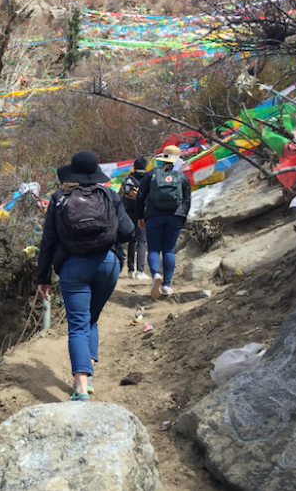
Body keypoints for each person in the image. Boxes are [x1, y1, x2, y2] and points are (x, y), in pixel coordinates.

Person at [37, 151, 135, 402]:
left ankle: (81, 388)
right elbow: (127, 232)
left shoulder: (59, 199)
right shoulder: (109, 195)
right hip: (108, 264)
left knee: (78, 325)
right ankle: (89, 374)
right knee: (91, 318)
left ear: (73, 173)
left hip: (73, 267)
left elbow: (48, 242)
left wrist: (43, 278)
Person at [136, 145, 192, 299]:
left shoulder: (151, 174)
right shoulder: (182, 177)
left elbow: (140, 195)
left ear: (163, 158)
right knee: (168, 250)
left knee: (153, 249)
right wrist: (182, 217)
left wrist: (140, 216)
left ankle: (155, 275)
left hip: (154, 215)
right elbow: (187, 200)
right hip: (175, 216)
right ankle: (166, 285)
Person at [121, 157, 149, 280]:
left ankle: (131, 269)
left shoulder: (128, 179)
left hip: (129, 212)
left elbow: (122, 197)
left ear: (134, 166)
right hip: (143, 212)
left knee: (132, 240)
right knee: (142, 241)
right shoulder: (149, 178)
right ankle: (140, 271)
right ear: (146, 167)